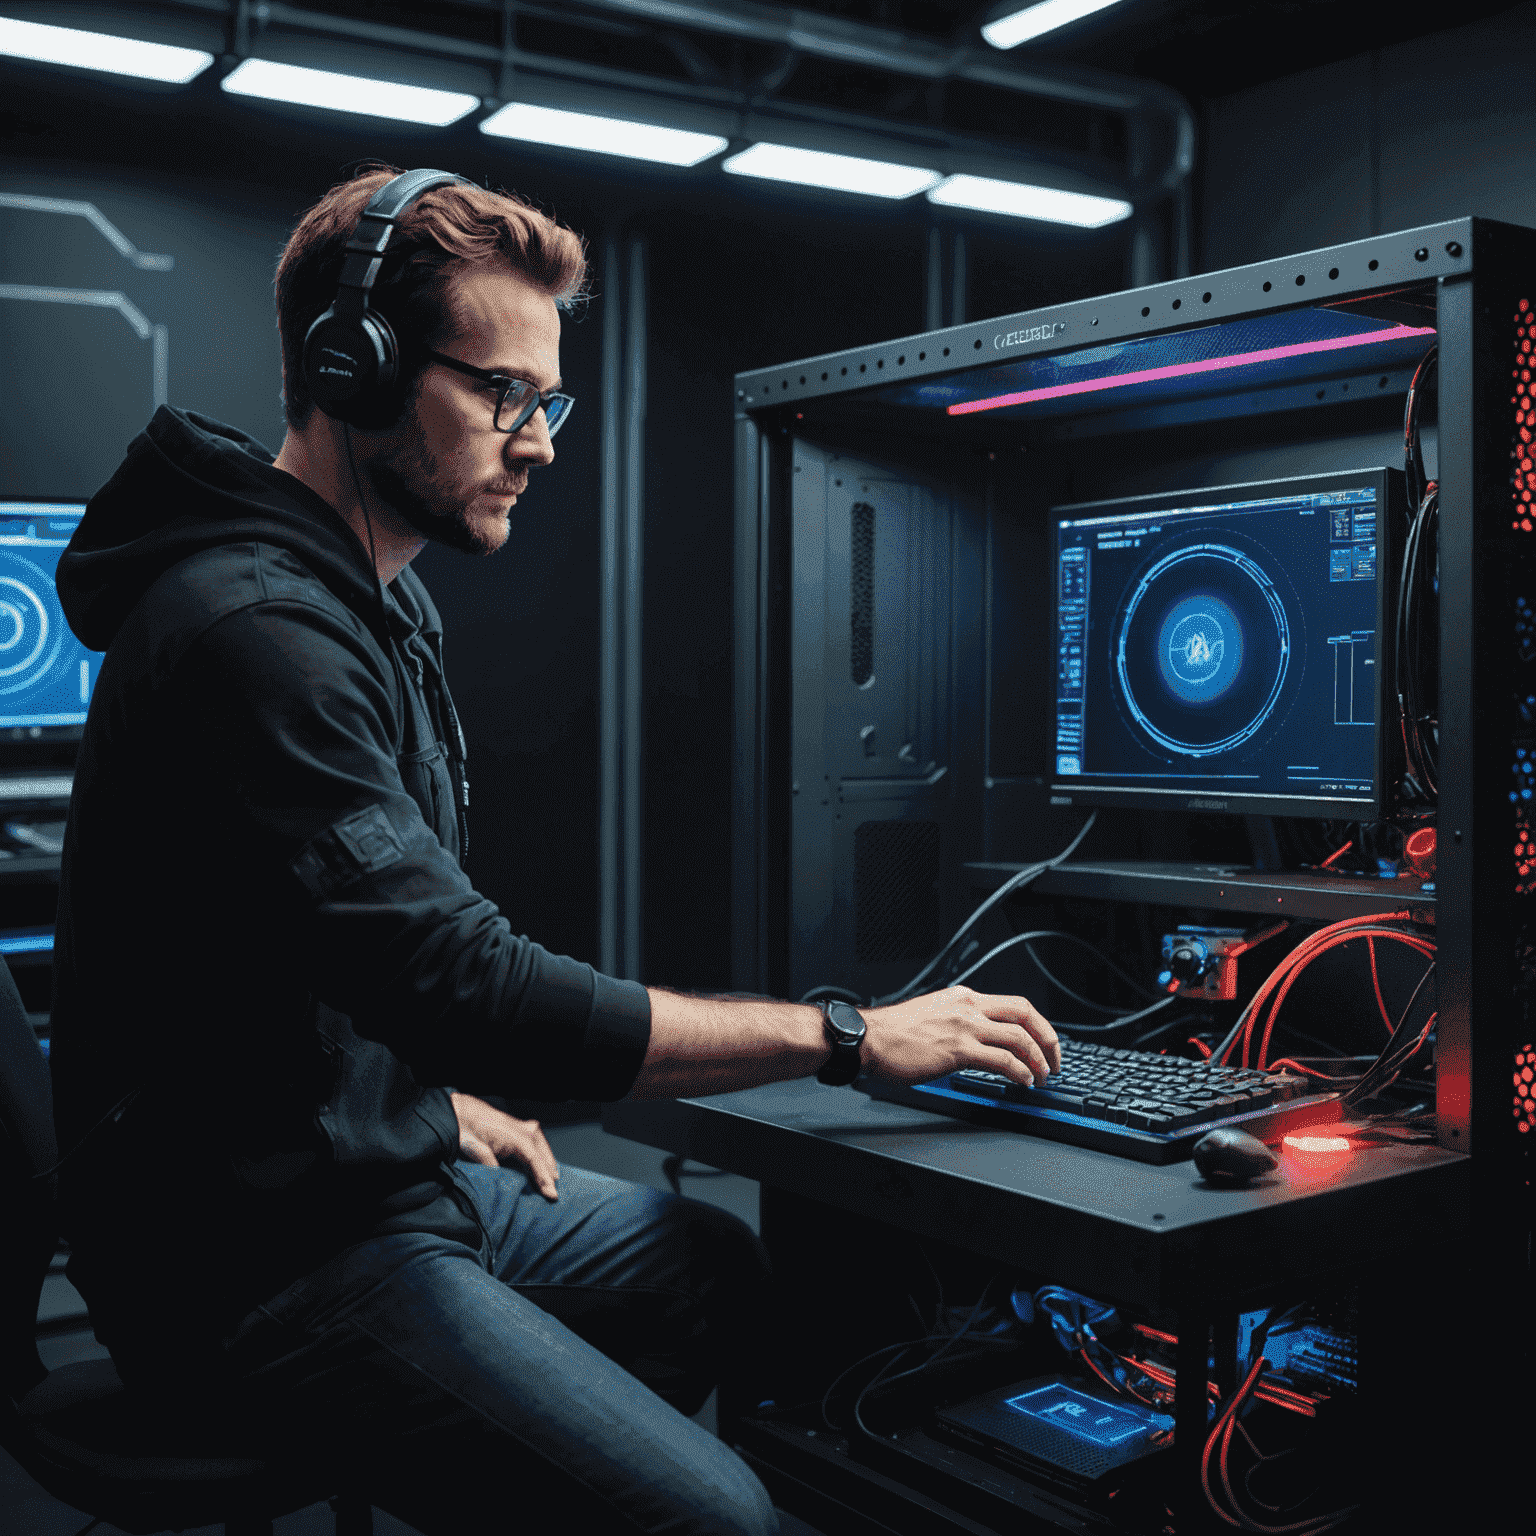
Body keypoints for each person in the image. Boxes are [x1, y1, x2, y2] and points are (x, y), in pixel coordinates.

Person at [48, 164, 1059, 1536]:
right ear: (355, 370)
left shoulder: (370, 606)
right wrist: (850, 1034)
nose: (540, 440)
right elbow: (475, 989)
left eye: (549, 398)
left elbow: (329, 947)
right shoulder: (257, 637)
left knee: (710, 1266)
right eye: (501, 394)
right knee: (724, 1518)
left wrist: (404, 1095)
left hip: (350, 1171)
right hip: (258, 1270)